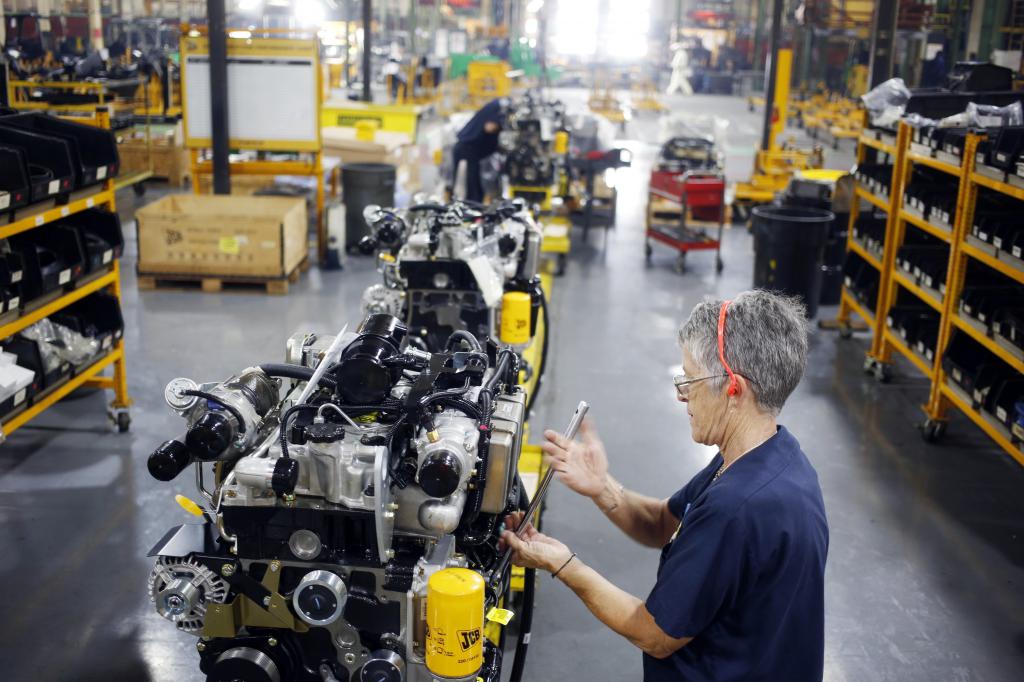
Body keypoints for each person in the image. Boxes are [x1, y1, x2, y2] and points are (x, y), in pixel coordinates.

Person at [501, 290, 829, 682]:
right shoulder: (768, 455)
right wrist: (601, 487)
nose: (682, 395)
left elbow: (654, 633)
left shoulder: (739, 507)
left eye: (691, 380)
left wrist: (559, 562)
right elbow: (662, 522)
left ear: (734, 389)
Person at [451, 98, 506, 203]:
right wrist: (501, 127)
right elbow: (489, 127)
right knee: (470, 186)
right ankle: (469, 208)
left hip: (470, 148)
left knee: (475, 185)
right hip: (467, 148)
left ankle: (474, 205)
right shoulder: (496, 108)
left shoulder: (495, 105)